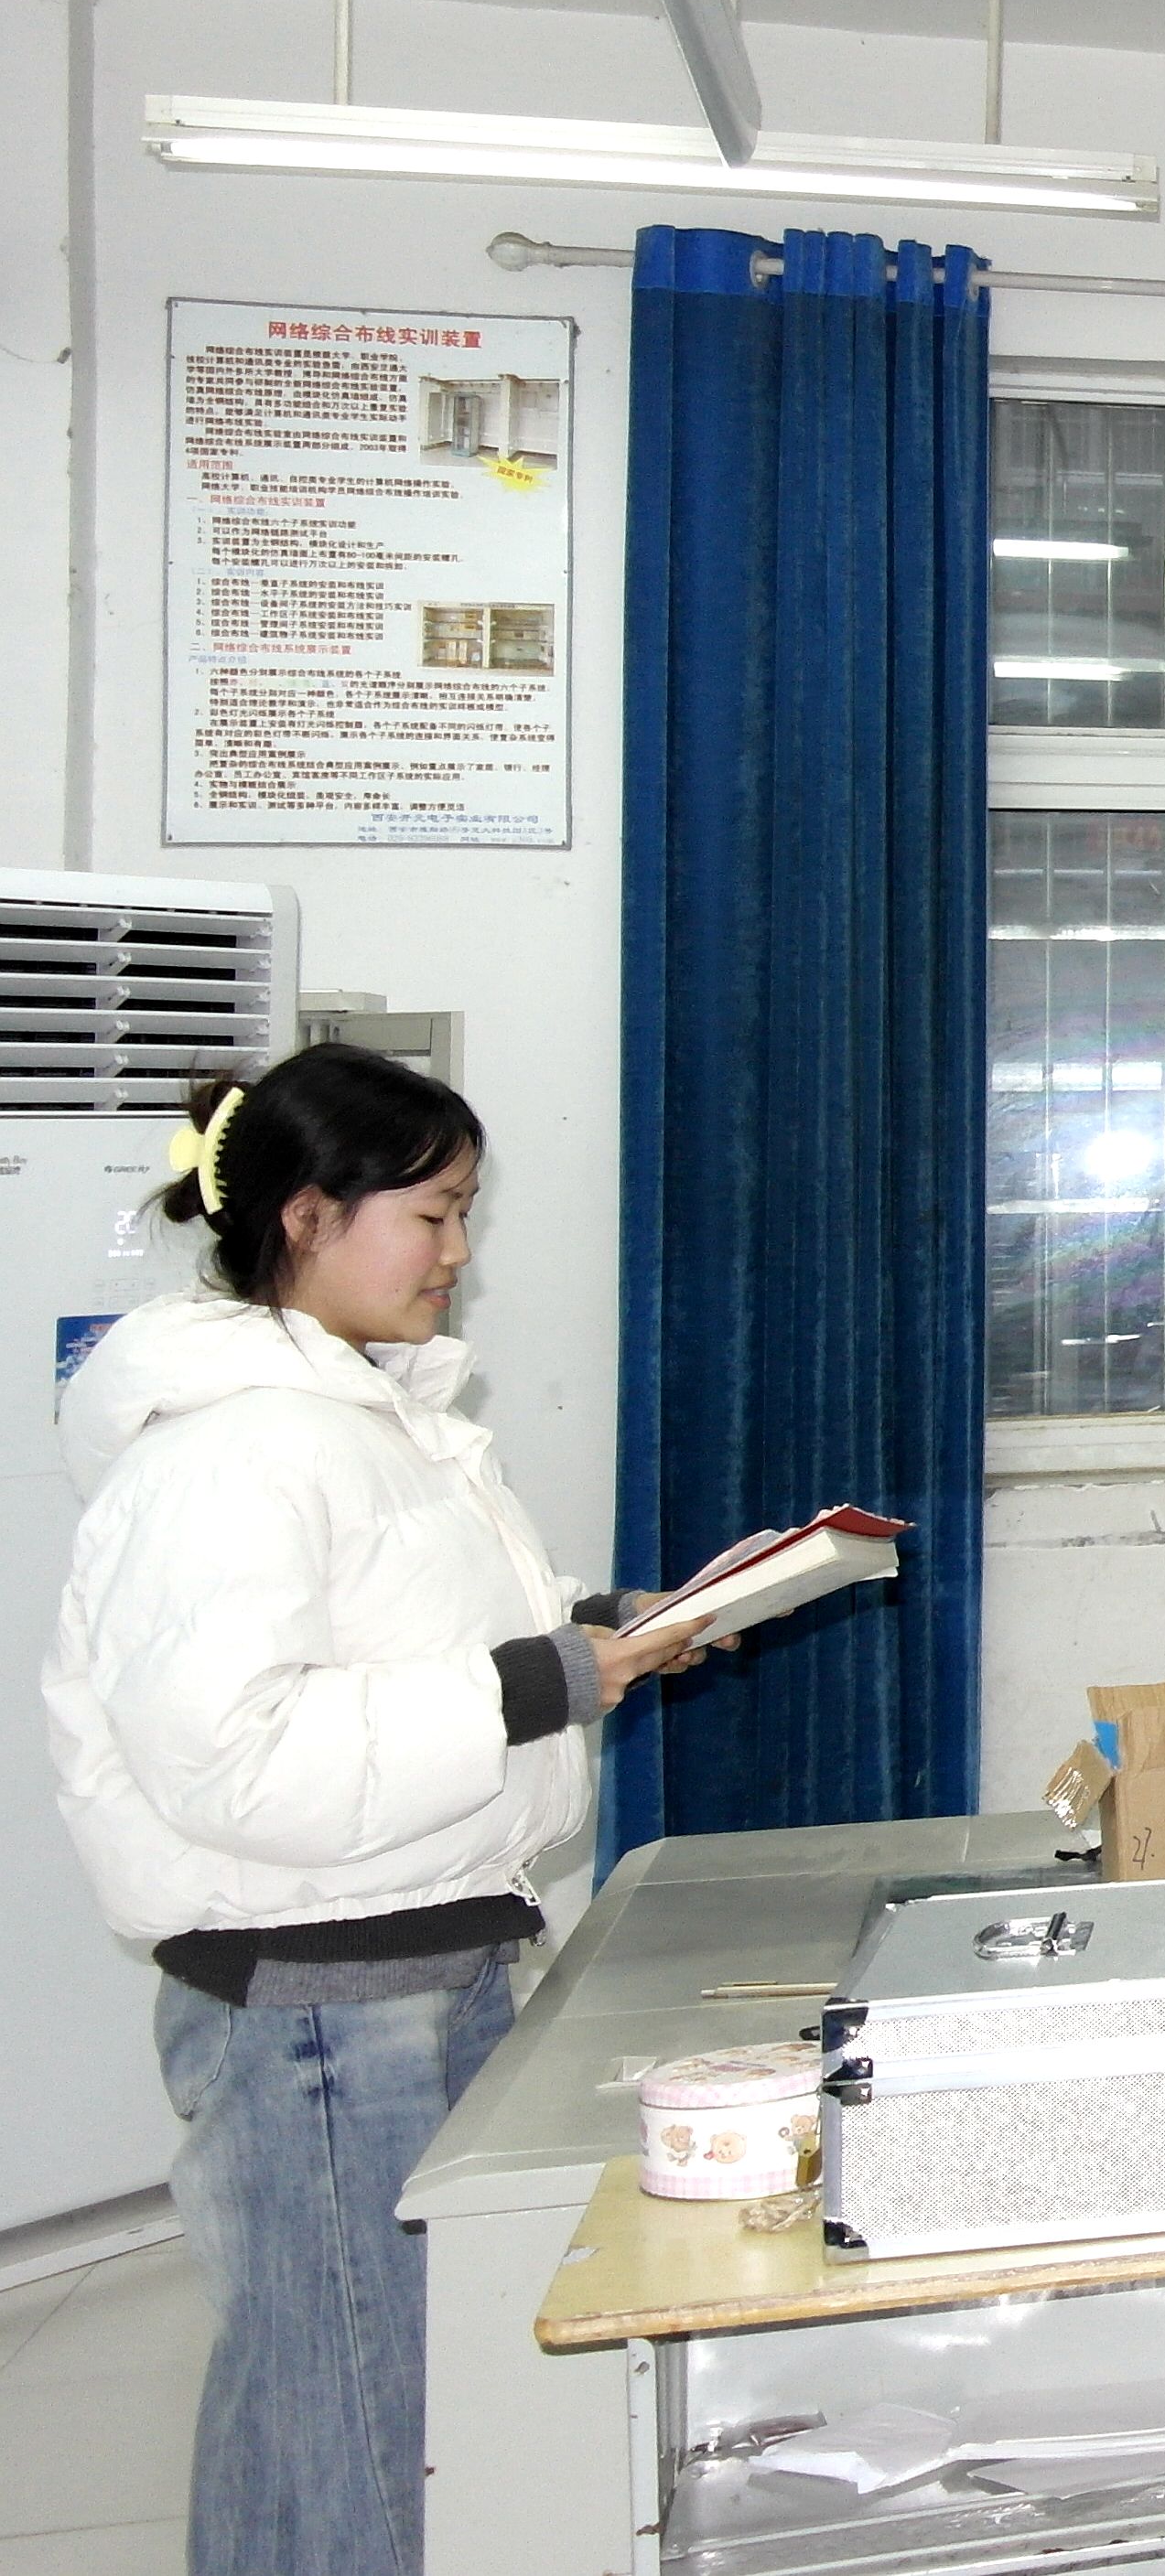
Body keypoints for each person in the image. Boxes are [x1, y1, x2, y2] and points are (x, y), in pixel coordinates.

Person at [49, 1046, 732, 2576]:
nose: (458, 1252)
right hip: (318, 2009)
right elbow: (238, 1758)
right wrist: (542, 1681)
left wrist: (607, 1630)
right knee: (349, 2424)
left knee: (382, 2409)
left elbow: (402, 1642)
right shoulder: (233, 1449)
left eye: (464, 1212)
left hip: (423, 1964)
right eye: (432, 1214)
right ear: (307, 1216)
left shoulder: (364, 1419)